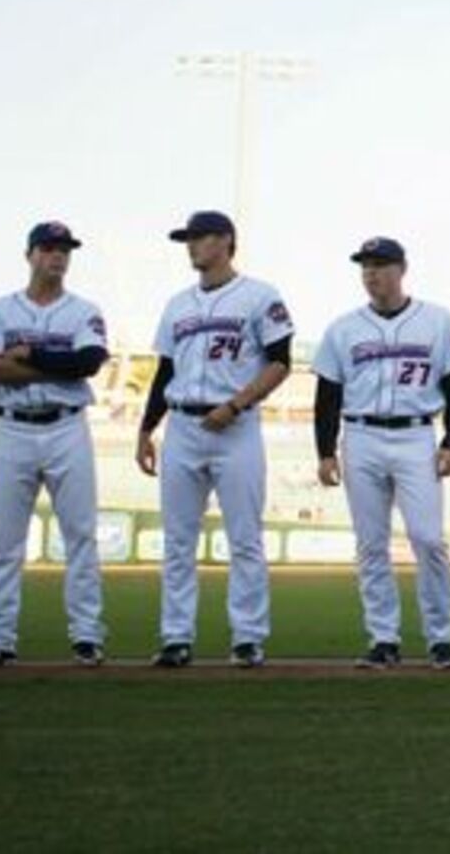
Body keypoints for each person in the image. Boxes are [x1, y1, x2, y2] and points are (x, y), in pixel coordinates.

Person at [137, 211, 294, 669]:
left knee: (244, 537)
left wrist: (238, 404)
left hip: (236, 427)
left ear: (226, 241)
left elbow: (280, 361)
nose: (192, 246)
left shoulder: (259, 296)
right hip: (183, 426)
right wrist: (147, 428)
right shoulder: (177, 304)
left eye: (200, 238)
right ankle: (175, 636)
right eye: (188, 239)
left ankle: (248, 637)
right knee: (178, 540)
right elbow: (166, 371)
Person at [312, 237, 450, 671]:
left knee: (428, 539)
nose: (372, 272)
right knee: (371, 544)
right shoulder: (344, 328)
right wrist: (325, 452)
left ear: (402, 269)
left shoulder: (436, 321)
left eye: (381, 264)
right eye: (365, 265)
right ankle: (383, 637)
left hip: (415, 436)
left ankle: (441, 637)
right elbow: (327, 394)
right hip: (360, 434)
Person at [0, 221, 110, 668]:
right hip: (14, 428)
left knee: (81, 535)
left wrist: (33, 356)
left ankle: (86, 635)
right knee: (6, 540)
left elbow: (89, 362)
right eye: (48, 248)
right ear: (30, 255)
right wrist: (57, 369)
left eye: (64, 250)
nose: (57, 257)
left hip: (67, 428)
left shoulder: (83, 310)